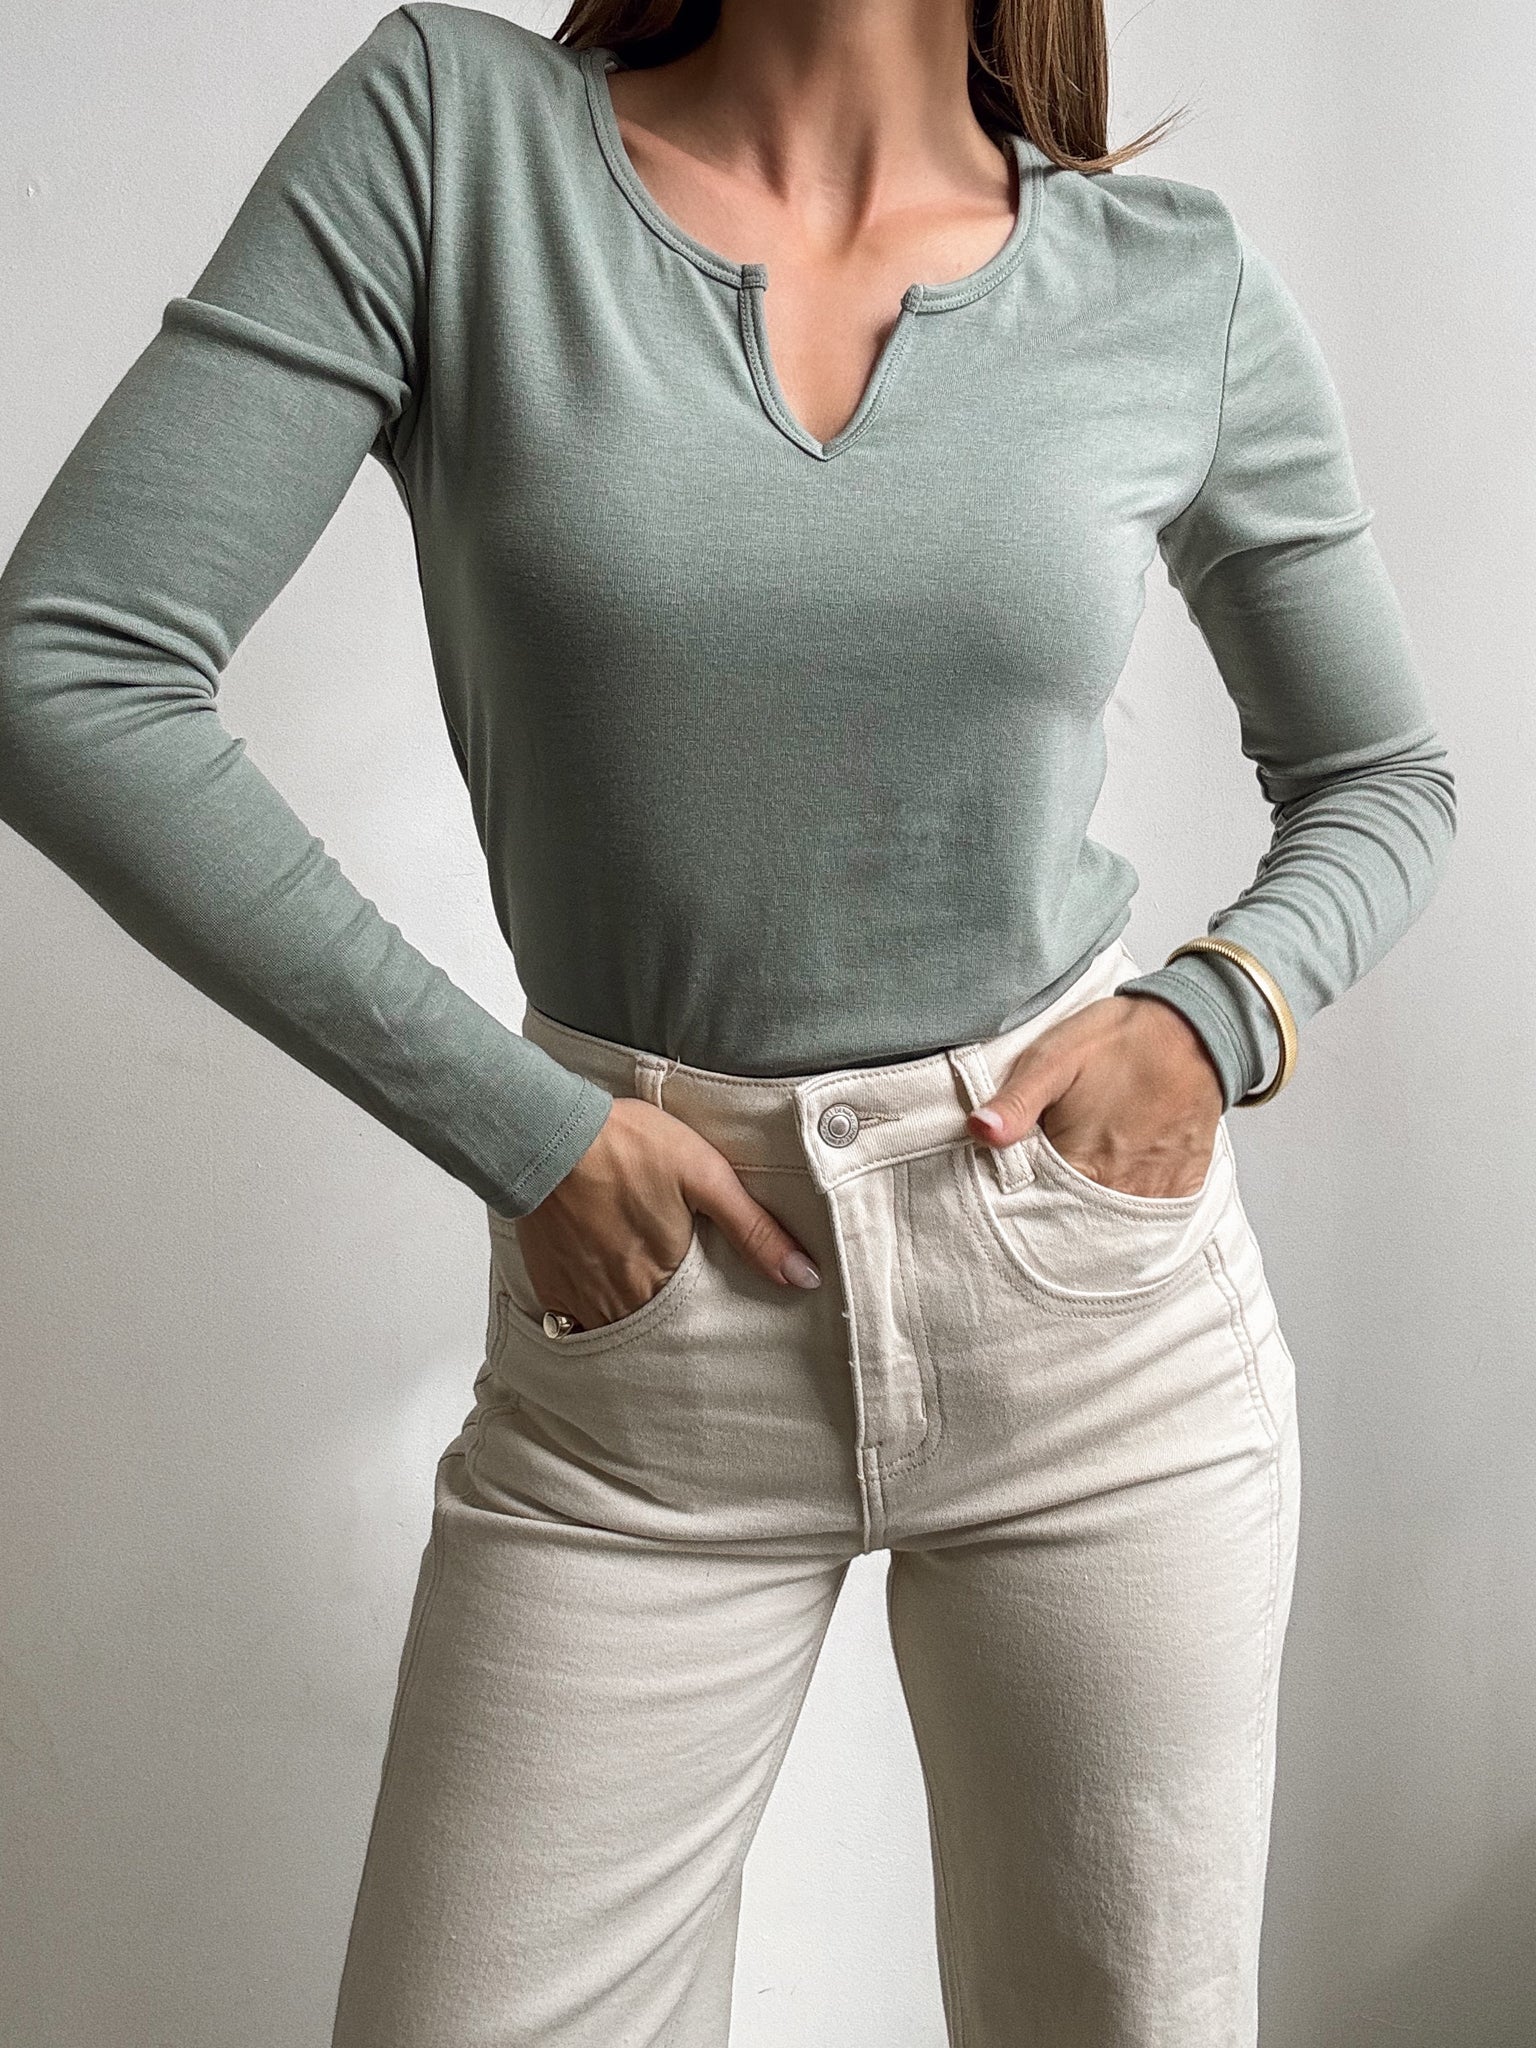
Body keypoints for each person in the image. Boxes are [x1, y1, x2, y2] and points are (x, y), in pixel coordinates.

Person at [0, 1, 1457, 2042]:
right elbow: (70, 675)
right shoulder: (453, 144)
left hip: (1092, 1322)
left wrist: (1217, 1015)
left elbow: (1384, 776)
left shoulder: (1171, 283)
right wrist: (522, 1127)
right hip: (643, 1342)